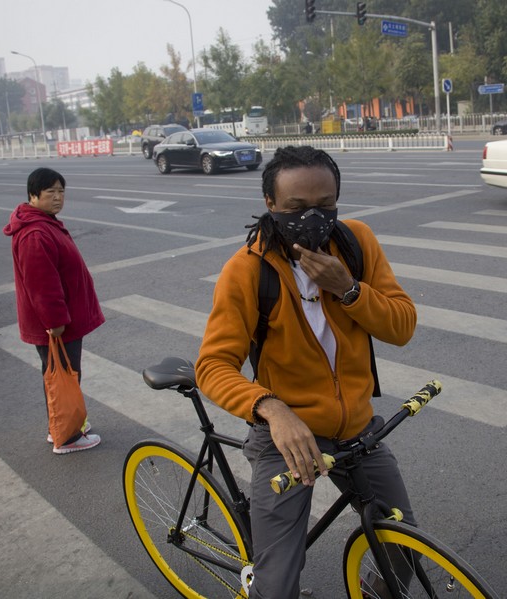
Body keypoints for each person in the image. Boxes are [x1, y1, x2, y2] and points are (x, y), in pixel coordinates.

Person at [196, 146, 418, 597]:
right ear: (270, 204)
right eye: (296, 207)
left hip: (356, 429)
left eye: (325, 204)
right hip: (288, 439)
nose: (312, 218)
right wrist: (272, 409)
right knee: (277, 584)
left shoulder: (356, 243)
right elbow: (212, 365)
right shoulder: (247, 270)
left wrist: (349, 289)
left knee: (405, 548)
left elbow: (402, 326)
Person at [2, 167, 103, 455]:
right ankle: (67, 437)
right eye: (51, 192)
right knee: (63, 377)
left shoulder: (44, 223)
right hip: (57, 324)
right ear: (33, 195)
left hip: (62, 319)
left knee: (62, 375)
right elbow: (42, 285)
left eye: (61, 191)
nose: (58, 197)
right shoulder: (35, 233)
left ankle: (61, 426)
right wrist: (55, 321)